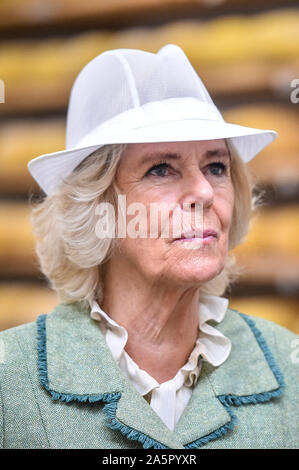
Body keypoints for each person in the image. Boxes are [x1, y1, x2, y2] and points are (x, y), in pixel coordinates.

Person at [0, 44, 298, 449]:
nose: (204, 191)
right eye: (162, 169)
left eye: (216, 166)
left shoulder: (289, 367)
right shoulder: (10, 381)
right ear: (97, 206)